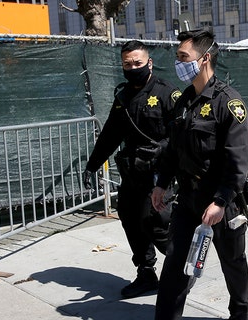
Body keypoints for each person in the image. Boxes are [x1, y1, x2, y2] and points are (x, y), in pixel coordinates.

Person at [151, 29, 248, 320]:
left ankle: (240, 314)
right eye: (178, 57)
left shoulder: (229, 103)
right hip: (189, 202)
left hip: (223, 202)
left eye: (184, 57)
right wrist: (161, 184)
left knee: (232, 262)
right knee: (175, 265)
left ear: (204, 58)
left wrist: (221, 202)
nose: (178, 63)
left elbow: (238, 161)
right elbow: (173, 150)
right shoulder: (184, 101)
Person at [82, 40, 181, 299]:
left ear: (149, 63)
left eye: (137, 63)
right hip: (133, 174)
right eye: (127, 64)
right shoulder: (123, 97)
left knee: (156, 223)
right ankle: (146, 273)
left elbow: (183, 134)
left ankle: (181, 269)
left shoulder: (167, 94)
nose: (132, 67)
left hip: (159, 174)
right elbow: (110, 136)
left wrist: (161, 148)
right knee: (130, 218)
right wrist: (92, 165)